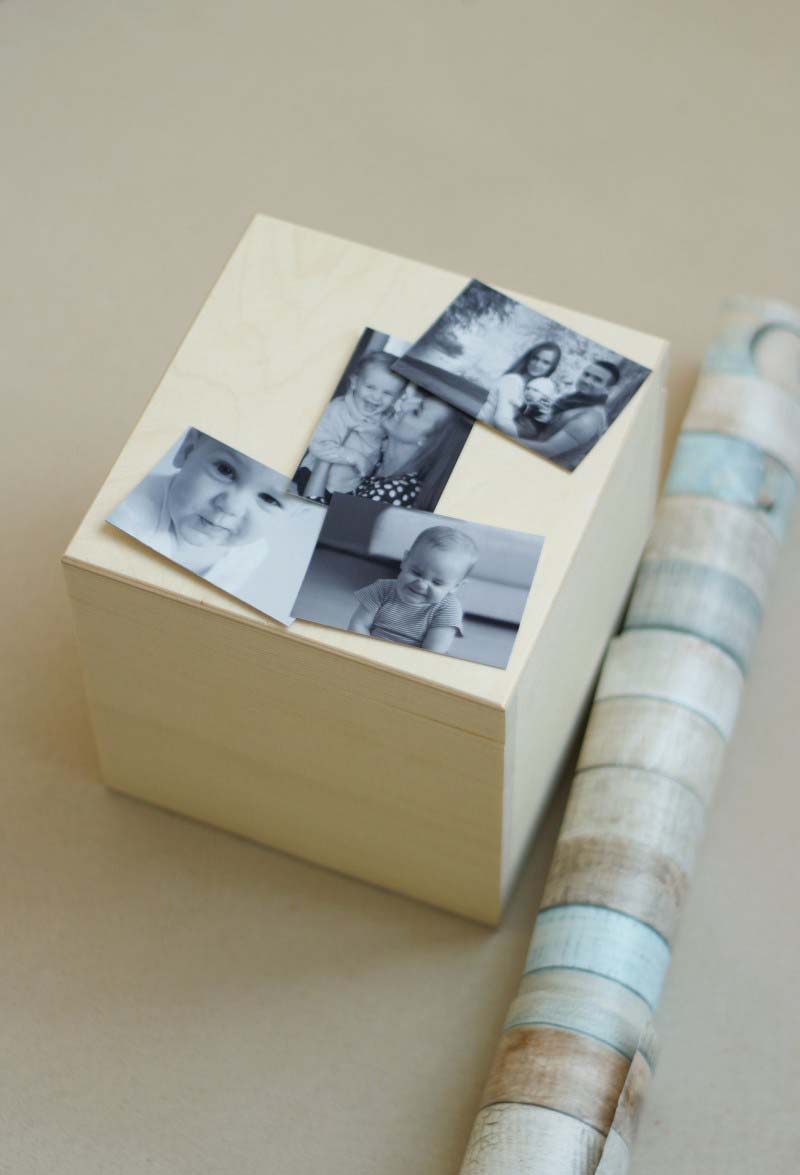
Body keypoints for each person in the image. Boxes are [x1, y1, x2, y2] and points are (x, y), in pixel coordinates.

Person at [109, 428, 287, 593]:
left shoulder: (251, 553)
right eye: (225, 470)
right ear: (188, 450)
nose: (231, 506)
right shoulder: (125, 514)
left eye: (269, 499)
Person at [348, 525, 479, 654]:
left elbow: (433, 652)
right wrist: (366, 651)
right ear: (405, 560)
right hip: (370, 649)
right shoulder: (382, 589)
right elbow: (359, 624)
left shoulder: (448, 608)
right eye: (416, 573)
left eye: (437, 583)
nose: (421, 585)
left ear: (456, 586)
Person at [294, 351, 407, 500]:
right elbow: (318, 445)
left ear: (398, 397)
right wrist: (354, 457)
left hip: (349, 485)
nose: (376, 397)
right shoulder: (338, 410)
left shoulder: (386, 417)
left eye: (388, 393)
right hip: (313, 477)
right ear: (354, 382)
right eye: (370, 387)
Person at [353, 387, 471, 510]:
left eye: (416, 412)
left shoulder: (392, 494)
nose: (404, 406)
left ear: (427, 440)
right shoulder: (377, 454)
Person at [497, 359, 620, 470]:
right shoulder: (571, 401)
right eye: (586, 374)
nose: (587, 381)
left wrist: (500, 436)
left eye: (597, 380)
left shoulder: (589, 419)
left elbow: (547, 450)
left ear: (609, 388)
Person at [479, 342, 562, 434]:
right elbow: (502, 422)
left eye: (546, 362)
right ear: (528, 358)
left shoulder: (538, 387)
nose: (538, 365)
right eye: (535, 358)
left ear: (552, 368)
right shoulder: (513, 380)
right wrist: (523, 441)